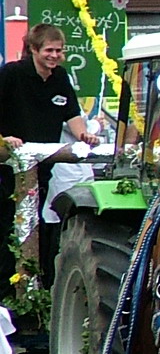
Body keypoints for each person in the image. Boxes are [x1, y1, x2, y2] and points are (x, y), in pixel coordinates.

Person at [1, 24, 97, 286]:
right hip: (7, 168)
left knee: (35, 227)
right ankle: (8, 292)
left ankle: (31, 288)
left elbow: (72, 114)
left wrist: (84, 136)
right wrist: (4, 138)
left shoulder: (60, 78)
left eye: (59, 51)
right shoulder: (12, 74)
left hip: (42, 169)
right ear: (33, 49)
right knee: (6, 228)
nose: (55, 56)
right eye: (49, 50)